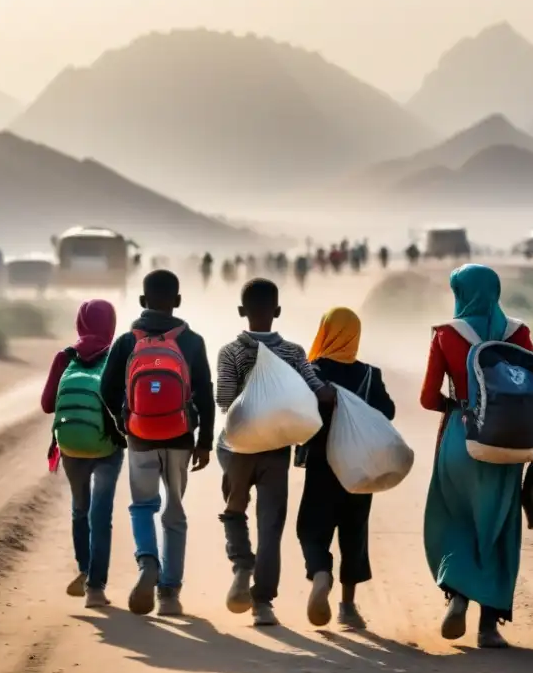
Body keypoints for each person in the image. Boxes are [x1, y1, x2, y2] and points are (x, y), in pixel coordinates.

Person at [419, 264, 533, 649]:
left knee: (455, 517)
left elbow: (428, 397)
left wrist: (457, 404)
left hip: (461, 440)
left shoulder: (447, 335)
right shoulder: (519, 333)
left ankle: (458, 595)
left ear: (460, 292)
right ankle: (489, 628)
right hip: (508, 444)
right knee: (497, 526)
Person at [216, 278, 336, 627]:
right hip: (276, 451)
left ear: (242, 311)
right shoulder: (294, 353)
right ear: (278, 311)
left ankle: (241, 567)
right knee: (271, 525)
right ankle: (263, 603)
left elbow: (225, 400)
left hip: (236, 448)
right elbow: (317, 392)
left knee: (234, 510)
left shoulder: (230, 352)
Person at [100, 270, 214, 617]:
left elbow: (106, 389)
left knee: (142, 505)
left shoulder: (126, 341)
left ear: (141, 301)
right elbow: (205, 394)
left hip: (140, 437)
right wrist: (205, 440)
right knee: (174, 511)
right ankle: (169, 594)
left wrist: (124, 422)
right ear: (177, 301)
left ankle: (148, 562)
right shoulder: (191, 341)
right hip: (180, 436)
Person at [297, 307, 394, 630]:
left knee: (311, 527)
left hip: (322, 466)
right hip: (359, 469)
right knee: (354, 533)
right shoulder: (369, 375)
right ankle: (348, 607)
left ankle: (321, 572)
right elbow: (388, 412)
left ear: (325, 332)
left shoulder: (313, 372)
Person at [41, 300, 125, 609]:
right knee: (101, 515)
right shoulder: (117, 355)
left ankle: (85, 569)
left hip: (72, 447)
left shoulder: (65, 357)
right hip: (107, 448)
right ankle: (95, 588)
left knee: (80, 510)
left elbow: (48, 404)